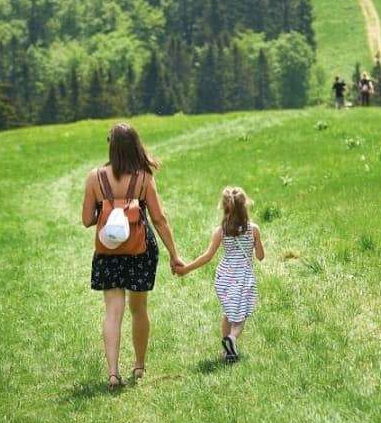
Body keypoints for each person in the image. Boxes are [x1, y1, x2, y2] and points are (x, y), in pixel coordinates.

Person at [81, 122, 184, 389]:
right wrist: (174, 255)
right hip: (141, 250)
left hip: (108, 252)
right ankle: (139, 366)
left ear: (112, 147)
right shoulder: (144, 178)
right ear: (136, 146)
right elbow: (159, 219)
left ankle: (113, 374)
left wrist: (109, 212)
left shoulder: (94, 177)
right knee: (139, 310)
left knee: (112, 312)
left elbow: (87, 220)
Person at [174, 186, 264, 363]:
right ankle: (232, 338)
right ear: (245, 206)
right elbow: (260, 256)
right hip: (243, 277)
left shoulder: (220, 231)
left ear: (224, 207)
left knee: (228, 313)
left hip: (224, 278)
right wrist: (256, 242)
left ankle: (227, 351)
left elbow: (206, 256)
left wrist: (186, 269)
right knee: (241, 316)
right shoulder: (253, 229)